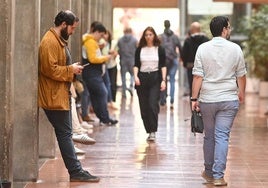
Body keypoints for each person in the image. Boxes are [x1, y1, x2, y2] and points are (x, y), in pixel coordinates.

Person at [38, 10, 100, 182]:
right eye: (72, 27)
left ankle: (76, 170)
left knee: (64, 133)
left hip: (59, 94)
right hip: (53, 96)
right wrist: (70, 70)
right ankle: (75, 171)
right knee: (65, 134)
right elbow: (49, 69)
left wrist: (71, 68)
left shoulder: (58, 40)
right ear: (63, 24)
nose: (73, 31)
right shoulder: (50, 41)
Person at [191, 16, 247, 186]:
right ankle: (218, 176)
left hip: (208, 99)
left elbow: (198, 76)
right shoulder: (235, 49)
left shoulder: (202, 48)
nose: (229, 30)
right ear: (224, 29)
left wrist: (194, 98)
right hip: (229, 98)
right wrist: (241, 92)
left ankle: (208, 172)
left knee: (209, 136)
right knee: (222, 136)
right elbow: (241, 75)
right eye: (228, 27)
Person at [133, 26, 167, 141]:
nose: (148, 37)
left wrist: (163, 80)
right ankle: (148, 129)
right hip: (142, 78)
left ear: (154, 36)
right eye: (146, 35)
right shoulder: (140, 49)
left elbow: (163, 65)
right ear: (144, 36)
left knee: (152, 104)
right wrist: (136, 77)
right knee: (143, 106)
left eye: (150, 34)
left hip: (154, 78)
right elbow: (136, 64)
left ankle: (153, 131)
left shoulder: (159, 49)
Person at [82, 23, 118, 126]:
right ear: (96, 32)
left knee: (97, 95)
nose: (102, 38)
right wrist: (106, 57)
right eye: (101, 35)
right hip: (92, 74)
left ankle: (103, 117)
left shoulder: (92, 42)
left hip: (93, 73)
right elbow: (93, 59)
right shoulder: (90, 42)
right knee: (102, 93)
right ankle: (104, 118)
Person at [181, 22, 209, 98]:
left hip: (191, 67)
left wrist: (185, 64)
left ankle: (193, 107)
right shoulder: (206, 40)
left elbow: (184, 54)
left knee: (192, 87)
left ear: (192, 30)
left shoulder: (188, 41)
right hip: (204, 67)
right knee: (203, 88)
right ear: (199, 29)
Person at [159, 20, 182, 108]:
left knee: (163, 79)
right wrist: (181, 58)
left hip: (164, 61)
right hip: (173, 60)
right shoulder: (175, 37)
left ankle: (163, 99)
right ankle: (172, 99)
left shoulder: (160, 37)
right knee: (172, 80)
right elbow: (180, 48)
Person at [117, 27, 138, 98]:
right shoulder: (134, 40)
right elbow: (137, 50)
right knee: (132, 75)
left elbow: (118, 50)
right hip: (132, 60)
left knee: (123, 76)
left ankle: (124, 91)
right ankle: (131, 87)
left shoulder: (120, 40)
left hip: (123, 60)